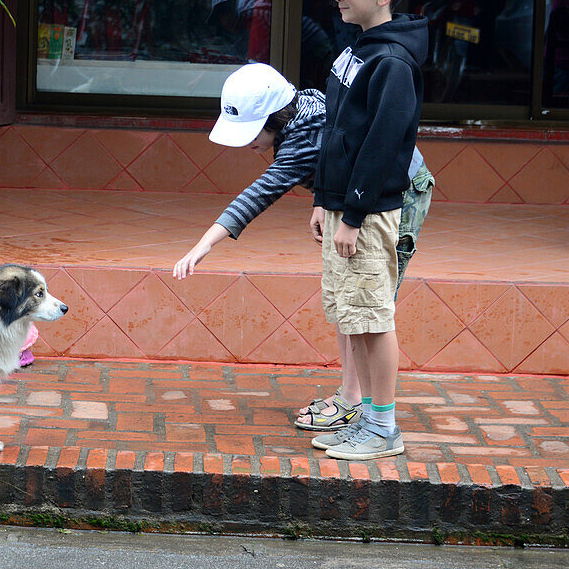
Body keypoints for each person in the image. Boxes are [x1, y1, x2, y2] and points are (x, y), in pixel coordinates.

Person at [173, 54, 433, 435]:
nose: (246, 143)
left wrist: (203, 245)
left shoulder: (298, 144)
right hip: (351, 200)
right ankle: (350, 398)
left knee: (366, 308)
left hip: (392, 198)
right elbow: (333, 152)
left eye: (251, 131)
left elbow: (258, 194)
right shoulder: (307, 102)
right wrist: (322, 201)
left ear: (275, 119)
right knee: (348, 300)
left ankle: (367, 411)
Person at [305, 0, 429, 461]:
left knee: (374, 319)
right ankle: (365, 421)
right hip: (342, 207)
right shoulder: (355, 48)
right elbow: (336, 130)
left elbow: (382, 146)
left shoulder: (394, 62)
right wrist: (321, 197)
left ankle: (383, 428)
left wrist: (352, 214)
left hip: (369, 213)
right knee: (352, 316)